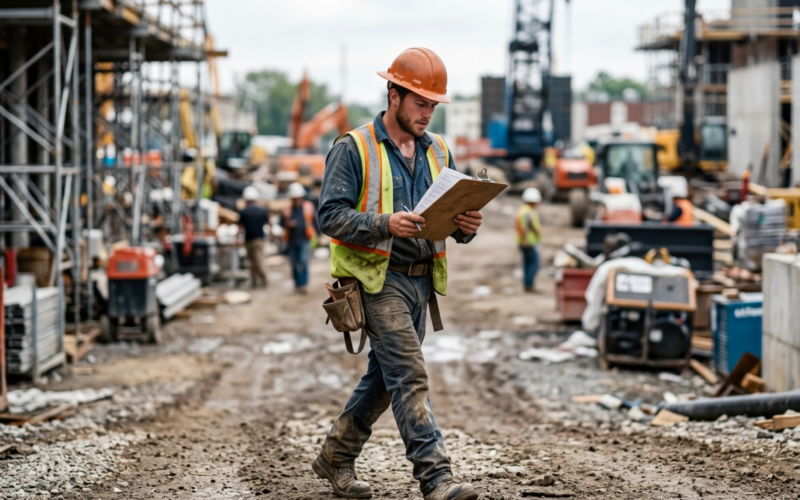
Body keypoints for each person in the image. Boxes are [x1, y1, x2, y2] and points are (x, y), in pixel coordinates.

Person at [314, 48, 482, 500]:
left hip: (421, 280)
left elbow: (441, 218)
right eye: (420, 104)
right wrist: (384, 223)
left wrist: (464, 227)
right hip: (377, 280)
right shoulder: (354, 147)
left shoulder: (438, 150)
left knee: (385, 380)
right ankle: (436, 478)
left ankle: (335, 456)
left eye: (433, 105)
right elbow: (328, 216)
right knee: (409, 375)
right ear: (394, 95)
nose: (427, 114)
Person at [279, 182, 318, 294]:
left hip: (304, 239)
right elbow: (281, 224)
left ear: (301, 198)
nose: (296, 200)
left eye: (298, 198)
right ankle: (297, 284)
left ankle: (303, 284)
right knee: (294, 264)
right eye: (294, 198)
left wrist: (318, 236)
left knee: (304, 261)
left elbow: (314, 222)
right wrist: (287, 224)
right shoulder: (286, 210)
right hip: (291, 241)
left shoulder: (308, 207)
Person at [238, 186, 269, 288]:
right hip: (259, 240)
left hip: (248, 241)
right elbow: (268, 223)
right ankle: (263, 281)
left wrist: (237, 238)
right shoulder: (262, 211)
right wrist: (272, 236)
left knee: (252, 262)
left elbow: (240, 228)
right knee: (259, 261)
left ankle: (256, 282)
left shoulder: (243, 212)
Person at [517, 187, 542, 292]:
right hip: (529, 242)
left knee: (527, 263)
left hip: (523, 242)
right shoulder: (529, 212)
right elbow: (525, 227)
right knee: (535, 264)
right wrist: (525, 240)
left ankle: (527, 285)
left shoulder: (522, 210)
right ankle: (529, 285)